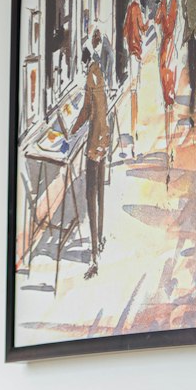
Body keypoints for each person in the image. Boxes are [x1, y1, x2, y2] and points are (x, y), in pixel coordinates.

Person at [71, 43, 109, 279]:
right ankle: (101, 239)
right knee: (100, 194)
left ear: (84, 61)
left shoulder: (89, 79)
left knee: (90, 195)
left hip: (94, 143)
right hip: (105, 137)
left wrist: (72, 130)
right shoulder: (100, 74)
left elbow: (86, 111)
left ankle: (94, 254)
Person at [155, 0, 178, 166]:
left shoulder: (174, 2)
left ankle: (171, 147)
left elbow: (175, 28)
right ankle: (168, 147)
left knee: (171, 101)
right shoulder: (165, 3)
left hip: (171, 53)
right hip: (165, 52)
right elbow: (156, 22)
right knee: (166, 101)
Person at [122, 0, 147, 147]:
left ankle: (133, 126)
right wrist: (147, 25)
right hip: (136, 52)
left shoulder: (129, 9)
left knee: (132, 89)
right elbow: (143, 28)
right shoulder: (137, 8)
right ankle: (134, 128)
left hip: (130, 50)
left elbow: (124, 31)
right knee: (135, 91)